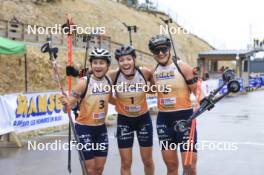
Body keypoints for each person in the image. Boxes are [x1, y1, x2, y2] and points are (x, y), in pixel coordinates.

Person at [148, 35, 199, 175]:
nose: (160, 53)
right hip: (164, 121)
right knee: (171, 166)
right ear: (153, 54)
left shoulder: (183, 67)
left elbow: (198, 92)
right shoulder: (153, 73)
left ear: (169, 49)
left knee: (189, 166)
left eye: (163, 49)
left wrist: (204, 99)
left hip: (185, 119)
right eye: (156, 51)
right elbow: (150, 90)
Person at [60, 48, 114, 175]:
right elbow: (67, 108)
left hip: (101, 129)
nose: (98, 65)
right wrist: (66, 104)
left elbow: (110, 98)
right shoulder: (83, 83)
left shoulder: (109, 80)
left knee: (99, 169)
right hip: (84, 128)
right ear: (91, 65)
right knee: (90, 170)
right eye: (95, 62)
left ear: (107, 65)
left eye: (102, 62)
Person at [108, 45, 155, 175]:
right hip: (124, 121)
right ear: (118, 62)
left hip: (143, 120)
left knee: (147, 160)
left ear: (134, 59)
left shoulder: (145, 72)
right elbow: (103, 91)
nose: (125, 63)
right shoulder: (113, 75)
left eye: (128, 59)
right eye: (121, 60)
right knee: (125, 162)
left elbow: (153, 88)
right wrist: (118, 103)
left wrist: (150, 86)